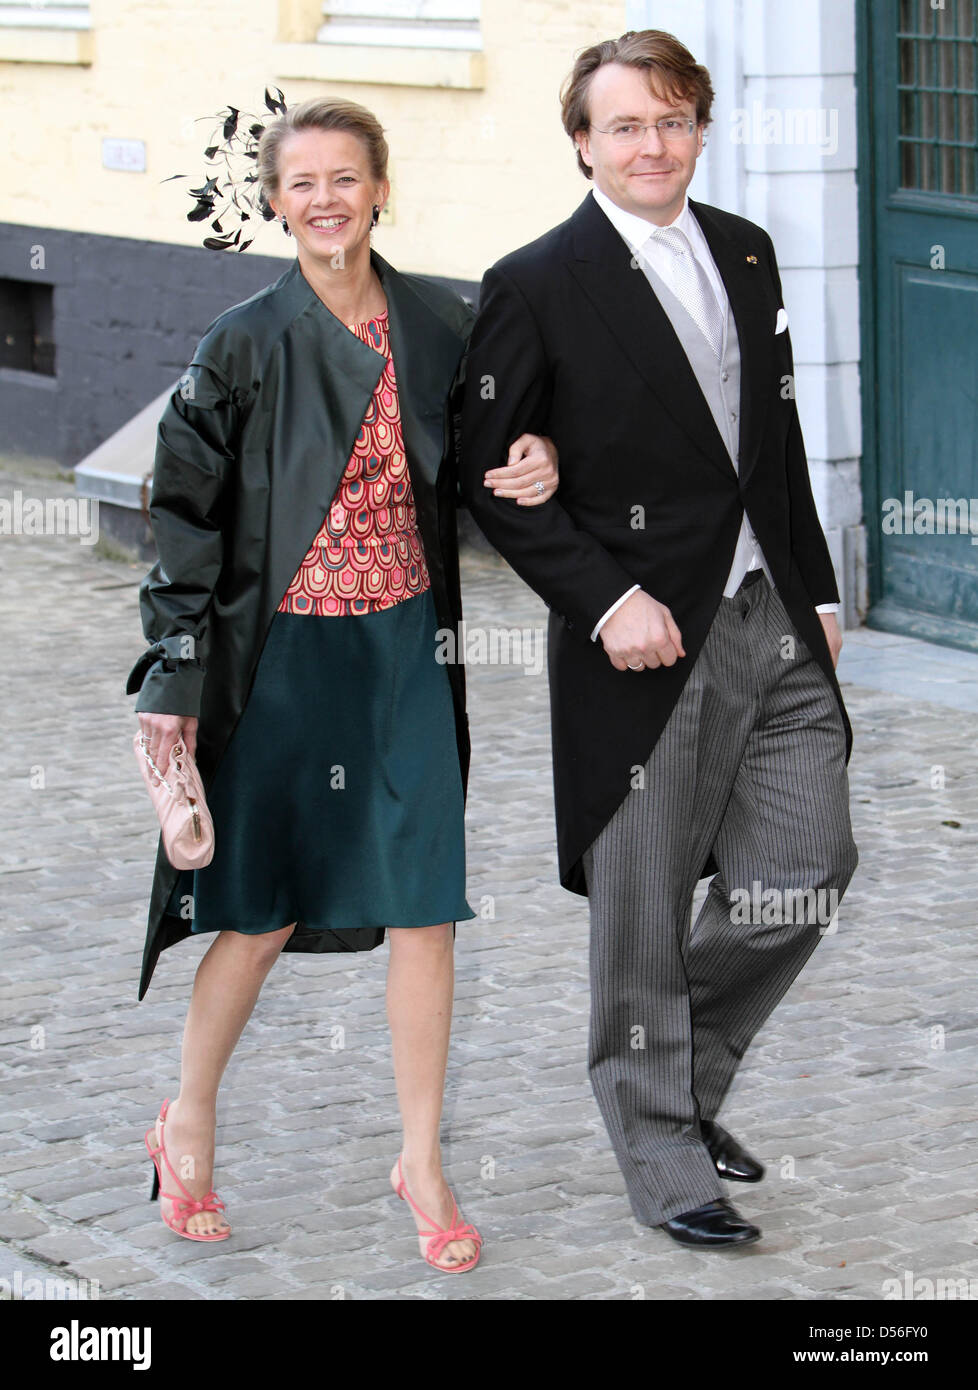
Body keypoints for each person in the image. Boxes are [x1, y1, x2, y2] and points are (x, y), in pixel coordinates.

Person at [126, 96, 559, 1271]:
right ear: (275, 200)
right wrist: (174, 665)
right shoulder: (244, 341)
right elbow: (183, 518)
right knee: (258, 915)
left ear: (381, 189)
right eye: (302, 180)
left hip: (405, 651)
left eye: (346, 178)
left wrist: (535, 459)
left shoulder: (435, 324)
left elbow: (485, 452)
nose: (325, 199)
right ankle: (190, 1123)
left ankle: (420, 1158)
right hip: (279, 660)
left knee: (427, 907)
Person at [460, 30, 858, 1249]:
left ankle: (673, 1082)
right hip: (640, 643)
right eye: (626, 124)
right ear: (582, 141)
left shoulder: (746, 248)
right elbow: (482, 469)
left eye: (675, 119)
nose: (654, 144)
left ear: (701, 128)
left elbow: (771, 438)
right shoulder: (535, 281)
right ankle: (661, 1150)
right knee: (639, 910)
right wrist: (602, 598)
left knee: (805, 871)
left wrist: (821, 586)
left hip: (769, 618)